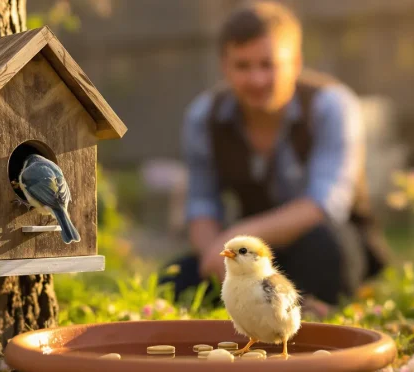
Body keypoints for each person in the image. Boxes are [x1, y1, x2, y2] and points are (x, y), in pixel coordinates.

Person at [161, 1, 389, 310]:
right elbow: (202, 206)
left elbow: (322, 205)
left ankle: (309, 305)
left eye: (268, 65)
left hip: (325, 245)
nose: (256, 79)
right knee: (174, 280)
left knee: (328, 248)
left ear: (295, 62)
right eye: (243, 66)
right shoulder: (204, 117)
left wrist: (238, 239)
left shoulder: (332, 106)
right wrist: (219, 258)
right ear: (224, 66)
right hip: (254, 256)